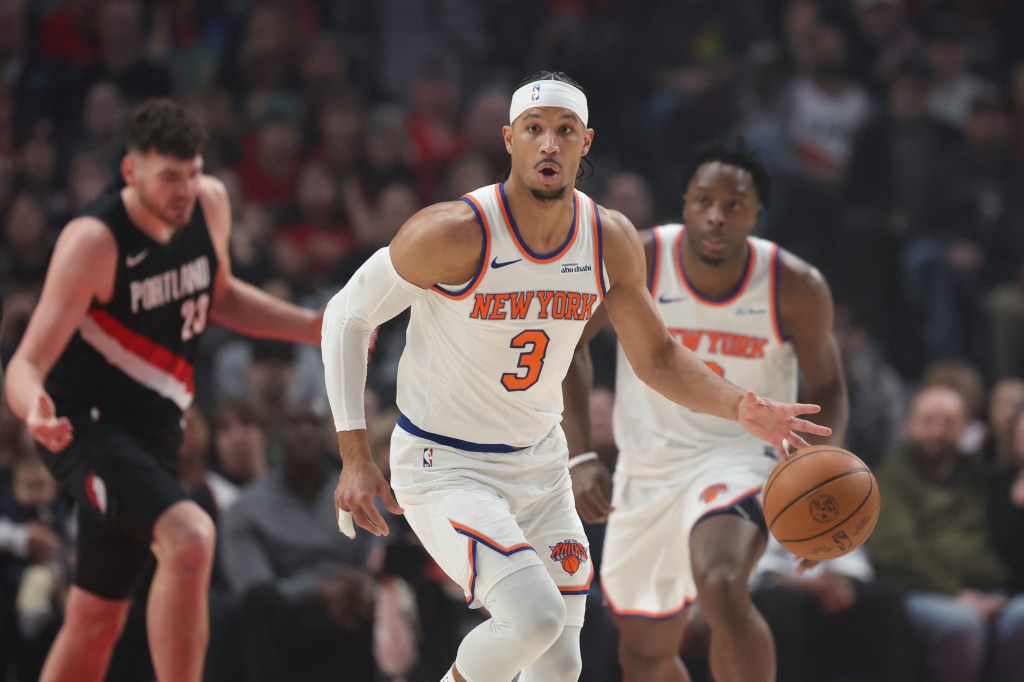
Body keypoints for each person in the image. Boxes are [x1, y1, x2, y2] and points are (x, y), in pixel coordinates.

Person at [321, 71, 830, 682]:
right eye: (534, 130)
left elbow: (659, 358)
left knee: (559, 665)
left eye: (564, 131)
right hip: (446, 464)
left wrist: (742, 406)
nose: (548, 144)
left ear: (585, 143)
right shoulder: (455, 231)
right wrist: (354, 453)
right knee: (532, 620)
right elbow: (346, 314)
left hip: (540, 465)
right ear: (509, 140)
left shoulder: (608, 236)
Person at [2, 98, 322, 682]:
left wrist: (309, 327)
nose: (184, 189)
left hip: (155, 433)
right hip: (87, 428)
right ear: (131, 172)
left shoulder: (211, 205)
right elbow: (24, 364)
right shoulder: (93, 242)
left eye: (192, 172)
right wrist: (35, 410)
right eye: (169, 176)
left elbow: (219, 296)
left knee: (94, 621)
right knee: (191, 536)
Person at [565, 138, 848, 682]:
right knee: (644, 655)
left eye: (734, 205)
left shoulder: (795, 286)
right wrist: (580, 457)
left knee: (722, 584)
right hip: (647, 469)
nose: (716, 217)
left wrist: (818, 476)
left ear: (756, 213)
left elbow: (831, 387)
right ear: (685, 202)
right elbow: (571, 345)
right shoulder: (641, 258)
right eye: (703, 201)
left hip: (741, 460)